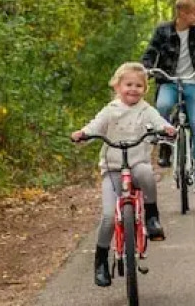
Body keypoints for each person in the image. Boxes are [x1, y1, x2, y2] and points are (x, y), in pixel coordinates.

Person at [72, 61, 177, 287]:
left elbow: (159, 122)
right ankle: (100, 261)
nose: (133, 89)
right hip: (113, 170)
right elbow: (95, 126)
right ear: (117, 86)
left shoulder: (146, 111)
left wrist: (167, 129)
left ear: (144, 90)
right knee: (110, 216)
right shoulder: (110, 110)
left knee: (147, 173)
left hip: (137, 164)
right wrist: (83, 133)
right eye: (128, 84)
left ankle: (151, 216)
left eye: (139, 86)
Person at [141, 0, 195, 191]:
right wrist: (146, 68)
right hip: (169, 80)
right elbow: (151, 51)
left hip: (194, 81)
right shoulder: (163, 30)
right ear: (182, 13)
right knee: (163, 106)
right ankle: (166, 147)